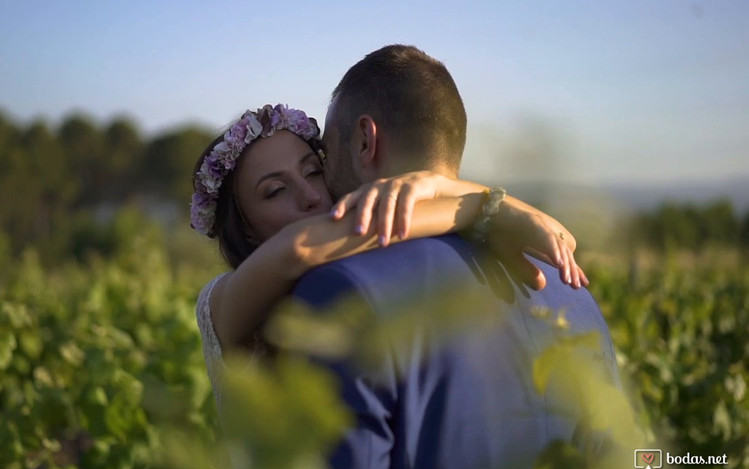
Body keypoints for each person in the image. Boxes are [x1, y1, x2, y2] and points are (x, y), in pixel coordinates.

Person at [291, 45, 622, 469]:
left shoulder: (341, 290)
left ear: (366, 140)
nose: (323, 171)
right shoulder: (574, 291)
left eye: (327, 151)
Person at [191, 103, 586, 414]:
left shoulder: (355, 273)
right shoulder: (222, 302)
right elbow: (298, 248)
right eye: (275, 191)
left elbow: (561, 240)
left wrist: (448, 188)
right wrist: (478, 205)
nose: (309, 195)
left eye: (312, 172)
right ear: (244, 228)